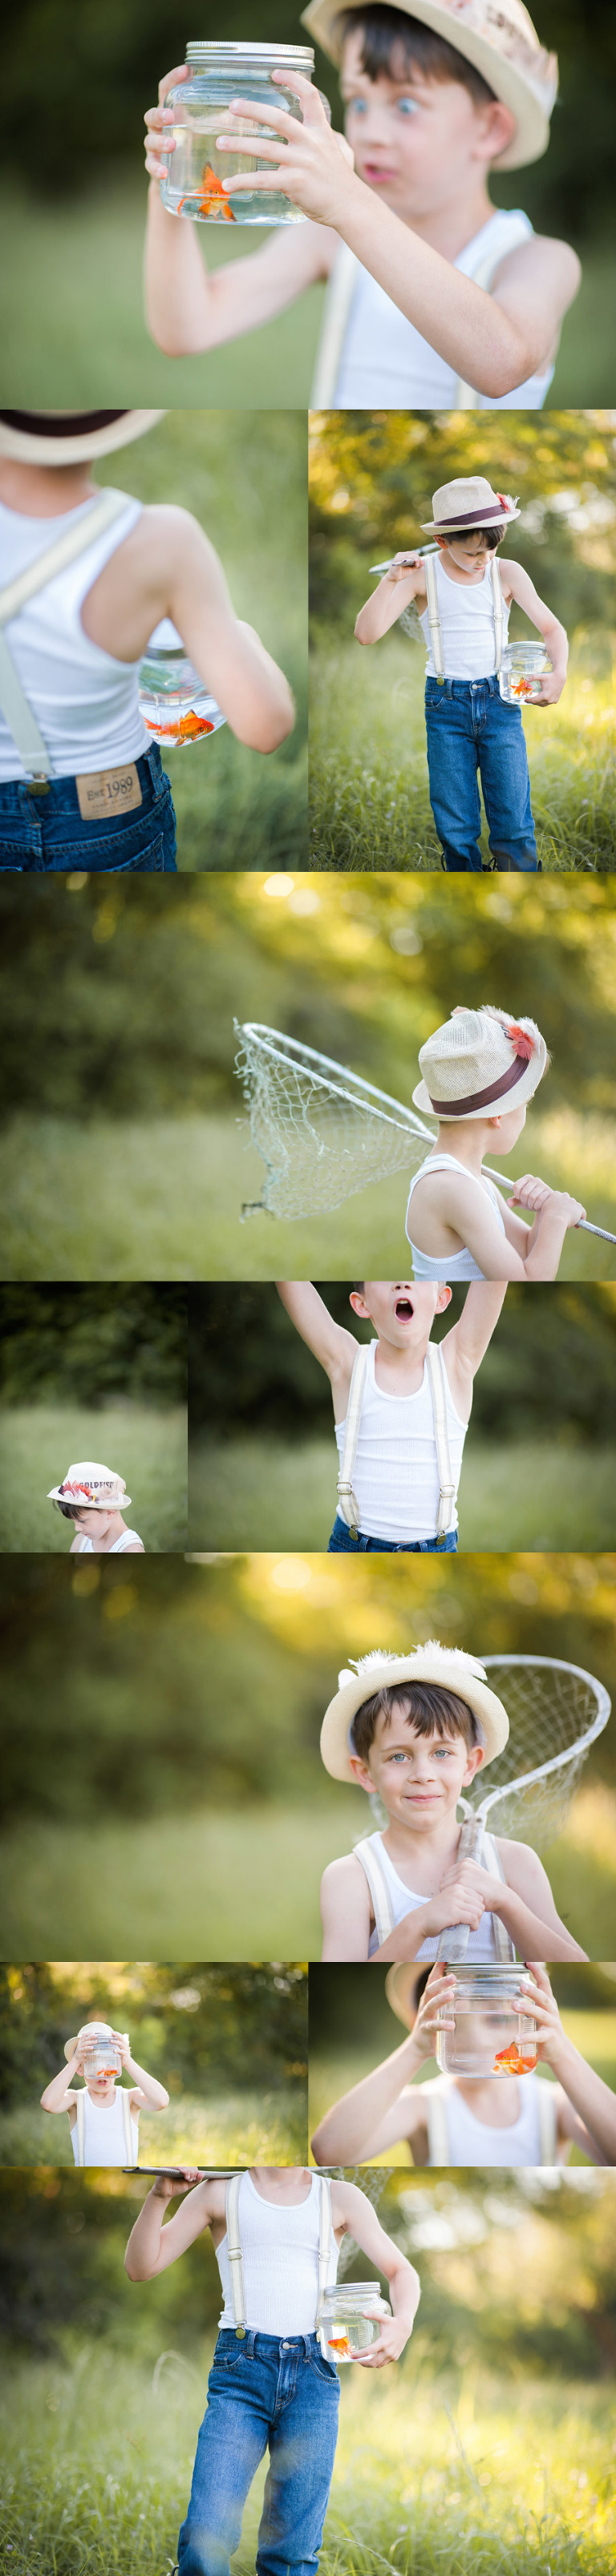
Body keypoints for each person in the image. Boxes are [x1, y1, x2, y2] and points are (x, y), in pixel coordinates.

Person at [144, 2, 579, 408]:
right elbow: (187, 330)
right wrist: (173, 172)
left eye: (406, 105)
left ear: (490, 130)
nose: (370, 131)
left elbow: (502, 367)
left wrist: (350, 200)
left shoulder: (537, 260)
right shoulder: (327, 238)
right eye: (357, 102)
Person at [0, 410, 294, 874]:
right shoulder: (159, 539)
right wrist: (246, 637)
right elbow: (266, 728)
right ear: (108, 425)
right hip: (103, 813)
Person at [124, 2162, 420, 2576]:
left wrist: (402, 2325)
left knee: (293, 2548)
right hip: (241, 2373)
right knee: (206, 2534)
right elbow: (141, 2268)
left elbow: (400, 2270)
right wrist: (159, 2197)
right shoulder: (218, 2193)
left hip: (313, 2377)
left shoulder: (338, 2196)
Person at [318, 1642, 589, 1964]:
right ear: (365, 1773)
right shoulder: (351, 1877)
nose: (423, 1774)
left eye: (441, 1753)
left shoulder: (514, 1862)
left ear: (470, 1764)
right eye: (399, 1756)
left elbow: (574, 1965)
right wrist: (417, 1925)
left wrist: (506, 1902)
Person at [354, 475, 569, 872]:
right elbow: (366, 635)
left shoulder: (506, 572)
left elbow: (552, 629)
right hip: (445, 704)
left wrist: (559, 676)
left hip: (499, 702)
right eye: (472, 553)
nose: (482, 561)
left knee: (512, 812)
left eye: (490, 550)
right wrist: (392, 579)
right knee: (454, 819)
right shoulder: (422, 576)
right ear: (443, 541)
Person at [276, 1276, 506, 1551]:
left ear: (441, 1299)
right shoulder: (348, 1365)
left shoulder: (455, 1365)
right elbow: (291, 1284)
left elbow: (495, 1276)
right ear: (362, 1304)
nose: (401, 1283)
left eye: (418, 1278)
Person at [311, 1962, 616, 2167]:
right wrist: (414, 2050)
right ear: (435, 2021)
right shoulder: (423, 2107)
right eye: (461, 2012)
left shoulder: (555, 2105)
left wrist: (563, 2056)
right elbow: (330, 2152)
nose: (488, 2034)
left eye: (501, 2016)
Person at [403, 1004, 586, 1280]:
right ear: (499, 1115)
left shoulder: (477, 1182)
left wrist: (543, 1213)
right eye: (527, 1102)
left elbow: (525, 1252)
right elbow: (527, 1281)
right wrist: (556, 1219)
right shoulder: (453, 1188)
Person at [40, 2017, 169, 2166]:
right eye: (93, 2063)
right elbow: (48, 2104)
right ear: (80, 2069)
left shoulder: (130, 2098)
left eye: (109, 2061)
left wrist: (128, 2061)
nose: (102, 2071)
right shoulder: (76, 2100)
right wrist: (74, 2061)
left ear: (118, 2063)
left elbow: (161, 2102)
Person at [47, 1461, 145, 1553]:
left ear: (109, 1511)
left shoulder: (130, 1549)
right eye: (74, 1521)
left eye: (82, 1521)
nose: (77, 1528)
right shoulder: (81, 1542)